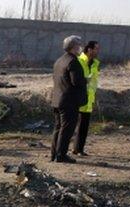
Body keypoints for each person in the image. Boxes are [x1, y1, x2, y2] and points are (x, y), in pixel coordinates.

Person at [50, 35, 86, 164]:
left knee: (58, 128)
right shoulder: (73, 61)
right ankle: (61, 155)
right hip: (69, 101)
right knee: (67, 129)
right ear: (74, 47)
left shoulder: (59, 61)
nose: (80, 48)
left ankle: (54, 154)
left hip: (57, 99)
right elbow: (76, 81)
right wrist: (85, 80)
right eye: (79, 46)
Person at [73, 41, 101, 157]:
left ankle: (79, 149)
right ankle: (67, 149)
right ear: (89, 49)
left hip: (88, 99)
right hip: (77, 98)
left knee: (84, 126)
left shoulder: (95, 63)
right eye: (96, 49)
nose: (98, 51)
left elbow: (94, 81)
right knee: (72, 125)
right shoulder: (79, 61)